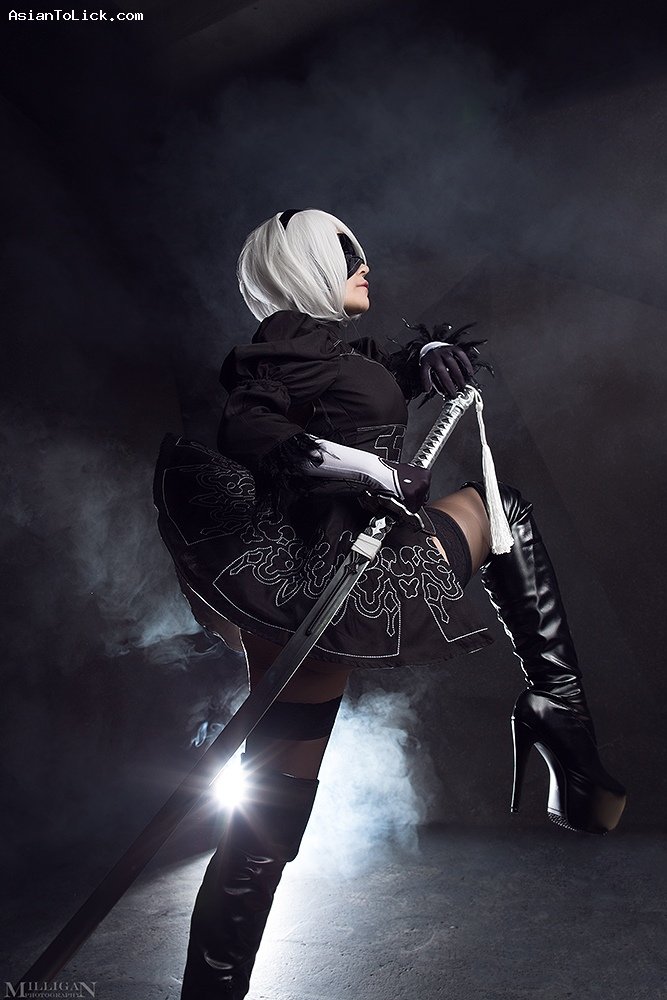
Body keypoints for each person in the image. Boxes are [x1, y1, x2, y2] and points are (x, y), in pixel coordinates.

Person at [153, 208, 626, 1000]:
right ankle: (557, 714)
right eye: (344, 254)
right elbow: (251, 426)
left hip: (341, 572)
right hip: (330, 574)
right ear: (302, 266)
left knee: (268, 821)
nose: (362, 264)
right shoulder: (286, 340)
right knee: (501, 510)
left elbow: (355, 389)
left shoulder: (324, 350)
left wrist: (426, 357)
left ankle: (210, 991)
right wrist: (374, 473)